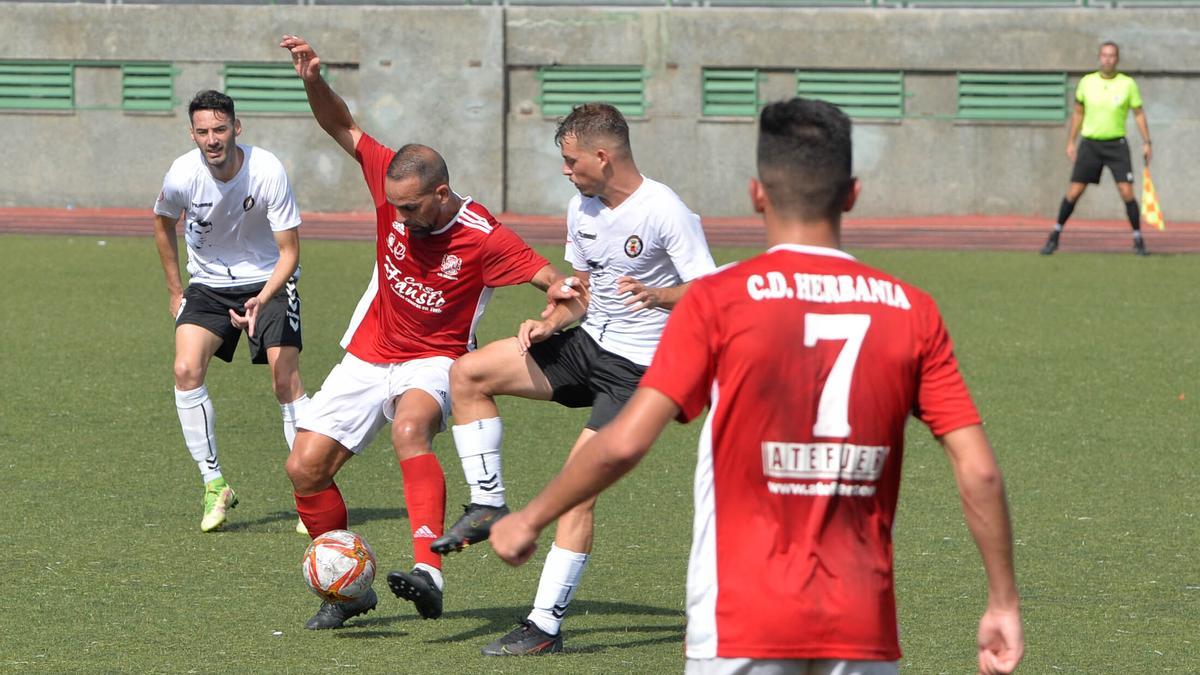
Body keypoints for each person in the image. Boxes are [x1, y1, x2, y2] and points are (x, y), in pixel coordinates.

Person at [489, 98, 1025, 675]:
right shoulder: (912, 311)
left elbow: (623, 444)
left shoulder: (721, 302)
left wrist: (530, 518)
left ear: (757, 195)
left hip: (741, 616)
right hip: (860, 620)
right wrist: (1002, 600)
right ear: (852, 195)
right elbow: (981, 471)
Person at [278, 35, 571, 631]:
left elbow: (560, 285)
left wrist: (548, 318)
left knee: (410, 426)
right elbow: (345, 128)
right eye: (394, 208)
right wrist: (313, 80)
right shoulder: (394, 178)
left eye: (411, 209)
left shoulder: (485, 236)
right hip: (368, 350)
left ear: (441, 193)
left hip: (434, 359)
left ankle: (428, 572)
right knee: (304, 469)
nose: (400, 218)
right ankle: (348, 588)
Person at [434, 102, 716, 656]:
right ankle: (488, 504)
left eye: (570, 160)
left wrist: (661, 296)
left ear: (602, 156)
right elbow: (581, 291)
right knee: (468, 373)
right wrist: (549, 319)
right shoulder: (581, 208)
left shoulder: (666, 211)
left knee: (576, 493)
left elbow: (709, 291)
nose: (565, 170)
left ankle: (544, 627)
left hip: (638, 376)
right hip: (588, 347)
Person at [153, 90, 309, 534]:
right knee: (185, 369)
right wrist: (174, 290)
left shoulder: (267, 170)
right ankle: (213, 484)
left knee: (285, 381)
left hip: (269, 279)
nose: (212, 139)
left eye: (220, 129)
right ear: (192, 134)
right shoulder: (182, 174)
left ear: (236, 128)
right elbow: (162, 223)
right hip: (208, 286)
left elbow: (290, 252)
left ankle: (310, 489)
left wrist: (263, 296)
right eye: (202, 131)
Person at [1041, 41, 1152, 256]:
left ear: (1117, 59)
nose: (1107, 59)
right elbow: (1078, 113)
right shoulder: (1087, 82)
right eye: (1104, 55)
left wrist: (1147, 141)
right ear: (1099, 57)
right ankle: (1054, 235)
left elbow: (1138, 113)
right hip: (1090, 144)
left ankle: (1138, 239)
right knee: (1074, 191)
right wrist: (1071, 141)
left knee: (1126, 191)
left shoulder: (1127, 84)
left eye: (1112, 56)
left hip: (1116, 144)